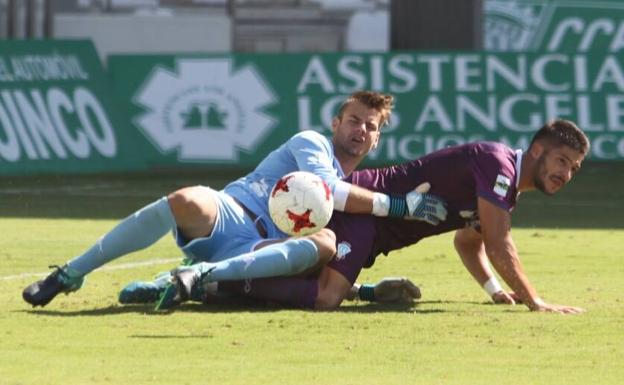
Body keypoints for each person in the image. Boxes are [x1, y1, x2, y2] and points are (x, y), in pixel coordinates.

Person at [22, 90, 447, 308]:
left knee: (324, 246)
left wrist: (366, 291)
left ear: (377, 137)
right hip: (232, 214)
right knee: (187, 199)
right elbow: (330, 192)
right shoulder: (311, 143)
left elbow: (322, 272)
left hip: (262, 249)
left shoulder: (357, 182)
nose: (361, 130)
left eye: (371, 127)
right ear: (336, 122)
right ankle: (69, 274)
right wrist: (398, 206)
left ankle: (192, 278)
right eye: (354, 120)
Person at [176, 119, 589, 314]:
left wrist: (494, 289)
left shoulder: (502, 185)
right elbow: (500, 242)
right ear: (536, 151)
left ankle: (213, 277)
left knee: (305, 276)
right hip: (368, 209)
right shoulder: (497, 166)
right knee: (325, 298)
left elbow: (470, 240)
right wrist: (535, 302)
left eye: (573, 169)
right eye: (561, 160)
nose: (566, 174)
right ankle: (214, 286)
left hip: (375, 229)